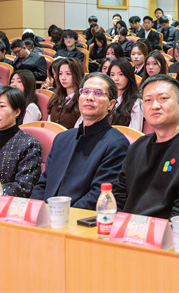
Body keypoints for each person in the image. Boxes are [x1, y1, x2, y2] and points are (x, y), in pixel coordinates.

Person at [112, 74, 179, 220]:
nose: (155, 106)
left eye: (163, 98)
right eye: (148, 100)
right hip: (128, 228)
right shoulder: (137, 147)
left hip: (168, 230)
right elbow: (119, 196)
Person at [31, 73, 129, 209]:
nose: (89, 97)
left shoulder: (116, 144)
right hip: (47, 215)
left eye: (98, 93)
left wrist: (61, 214)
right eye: (85, 92)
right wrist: (35, 210)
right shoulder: (62, 138)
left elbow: (99, 195)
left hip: (79, 217)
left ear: (111, 104)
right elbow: (43, 183)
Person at [47, 57, 84, 129]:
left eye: (68, 74)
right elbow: (48, 123)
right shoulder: (56, 97)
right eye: (60, 74)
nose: (63, 78)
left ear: (77, 75)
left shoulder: (82, 99)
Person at [108, 58, 144, 131]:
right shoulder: (106, 99)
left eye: (121, 74)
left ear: (128, 76)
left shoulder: (136, 103)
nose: (116, 78)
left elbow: (134, 133)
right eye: (112, 75)